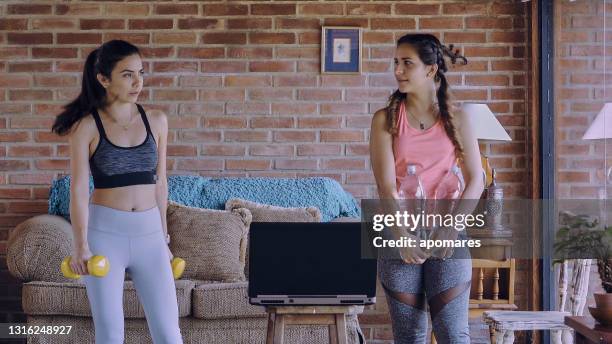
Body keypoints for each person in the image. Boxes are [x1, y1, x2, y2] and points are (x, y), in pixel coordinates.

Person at [52, 40, 182, 344]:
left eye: (140, 73)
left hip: (150, 236)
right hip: (104, 237)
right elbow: (79, 190)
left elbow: (160, 183)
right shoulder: (86, 127)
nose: (138, 82)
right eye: (127, 74)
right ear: (103, 79)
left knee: (168, 334)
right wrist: (80, 245)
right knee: (110, 335)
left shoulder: (157, 121)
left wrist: (163, 239)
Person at [369, 33, 485, 343]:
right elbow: (385, 186)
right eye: (396, 62)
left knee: (453, 334)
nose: (398, 70)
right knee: (409, 336)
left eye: (407, 63)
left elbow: (477, 179)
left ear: (430, 70)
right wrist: (401, 237)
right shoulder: (385, 120)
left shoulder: (458, 120)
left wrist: (451, 228)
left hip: (448, 234)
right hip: (399, 238)